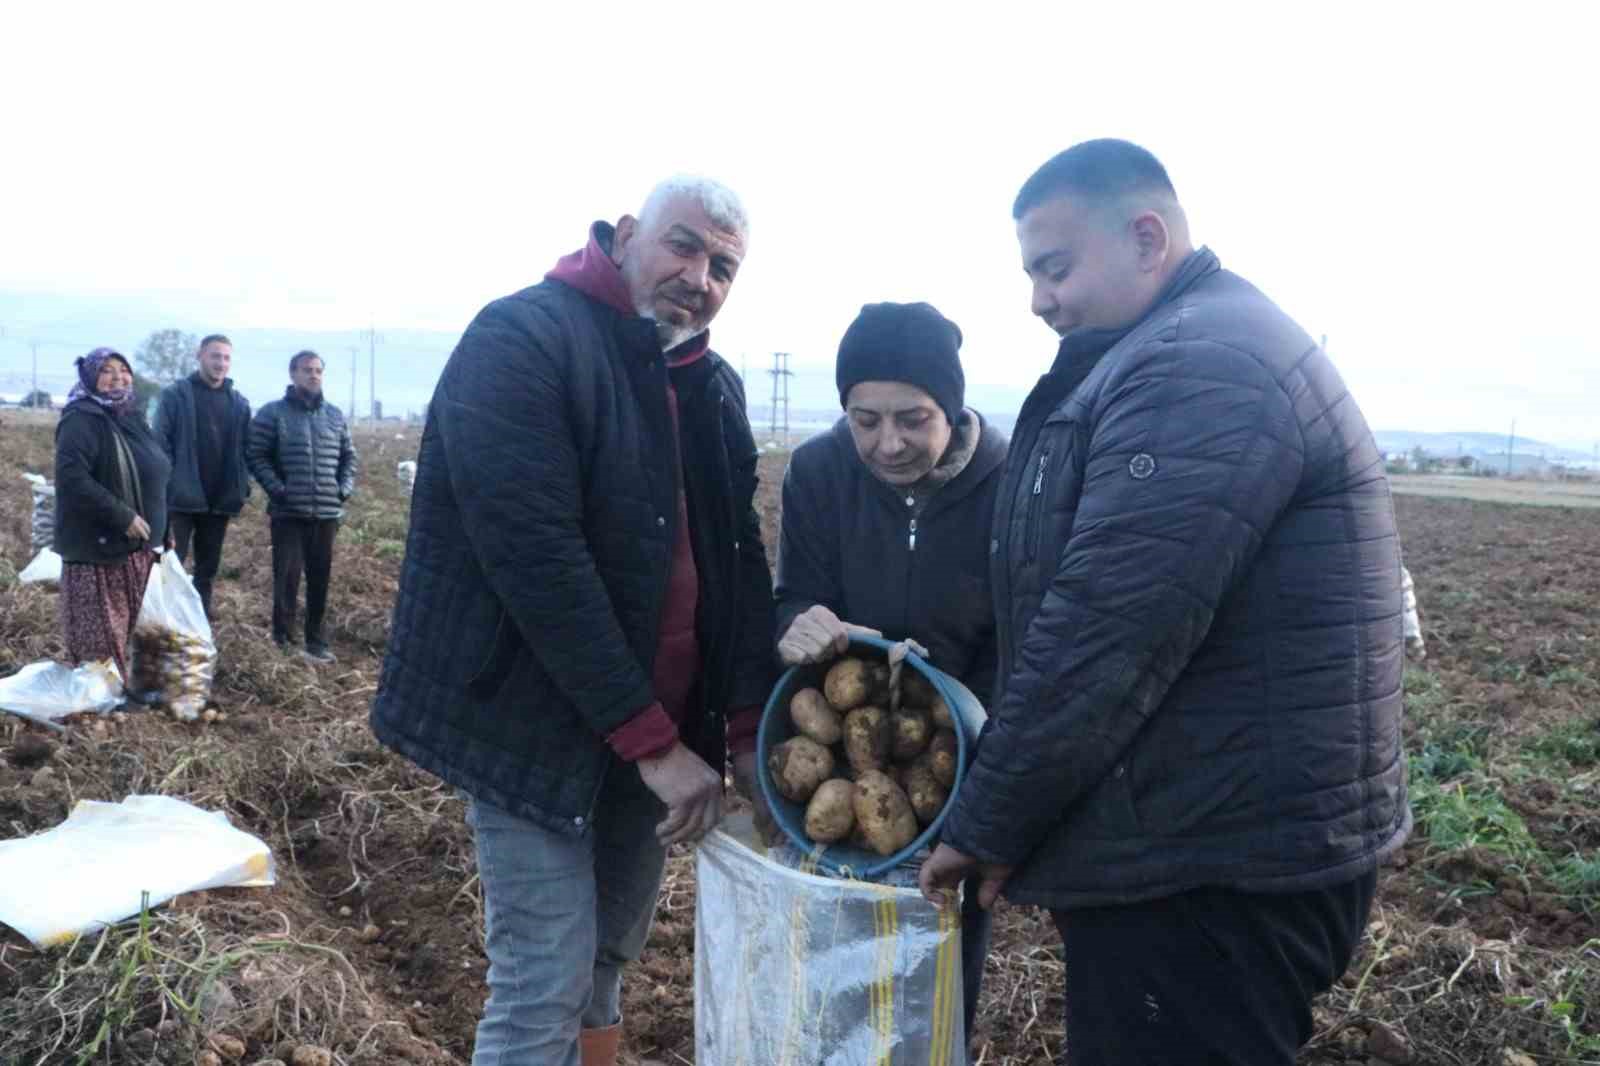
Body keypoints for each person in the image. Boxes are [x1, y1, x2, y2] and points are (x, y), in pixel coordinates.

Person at [920, 139, 1410, 1065]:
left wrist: (988, 822)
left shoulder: (1201, 365)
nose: (1039, 299)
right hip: (1199, 841)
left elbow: (1107, 631)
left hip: (1209, 866)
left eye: (1054, 268)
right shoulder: (1181, 347)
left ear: (1148, 236)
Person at [369, 175, 776, 1066]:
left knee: (605, 963)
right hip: (536, 720)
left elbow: (739, 558)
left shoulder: (710, 385)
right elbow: (534, 556)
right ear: (628, 233)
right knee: (542, 979)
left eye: (723, 267)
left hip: (655, 732)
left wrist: (745, 722)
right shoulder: (523, 338)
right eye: (683, 245)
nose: (699, 277)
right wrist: (653, 745)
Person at [764, 300, 1004, 1054]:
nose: (888, 443)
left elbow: (1026, 633)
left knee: (940, 971)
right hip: (845, 740)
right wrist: (799, 622)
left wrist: (984, 759)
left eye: (914, 418)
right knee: (834, 971)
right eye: (865, 419)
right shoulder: (819, 470)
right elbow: (792, 598)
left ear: (953, 407)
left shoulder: (1013, 475)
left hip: (955, 755)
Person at [52, 347, 172, 700]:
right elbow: (72, 478)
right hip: (97, 549)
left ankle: (119, 695)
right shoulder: (81, 418)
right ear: (90, 378)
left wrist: (166, 529)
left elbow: (156, 475)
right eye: (106, 370)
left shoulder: (130, 415)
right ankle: (99, 705)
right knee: (101, 635)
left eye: (123, 370)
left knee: (128, 630)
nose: (117, 376)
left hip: (137, 548)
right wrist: (122, 516)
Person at [244, 350, 357, 662]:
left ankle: (316, 641)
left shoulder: (334, 416)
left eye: (318, 370)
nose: (314, 375)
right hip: (288, 513)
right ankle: (284, 642)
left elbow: (349, 457)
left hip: (326, 513)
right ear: (293, 374)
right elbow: (256, 455)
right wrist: (279, 491)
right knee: (287, 580)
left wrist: (343, 489)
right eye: (307, 370)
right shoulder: (272, 414)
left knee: (320, 579)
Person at [153, 333, 252, 619]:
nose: (221, 363)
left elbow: (248, 449)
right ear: (200, 356)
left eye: (226, 358)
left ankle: (198, 627)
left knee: (207, 572)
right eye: (215, 356)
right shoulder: (175, 396)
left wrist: (241, 486)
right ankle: (164, 627)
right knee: (171, 568)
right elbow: (160, 443)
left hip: (218, 502)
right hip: (181, 500)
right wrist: (168, 484)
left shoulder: (239, 403)